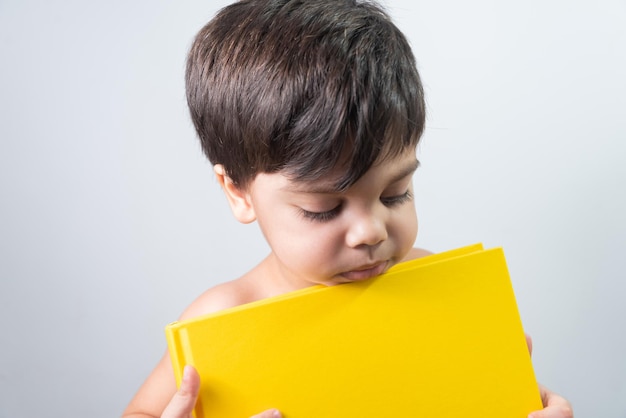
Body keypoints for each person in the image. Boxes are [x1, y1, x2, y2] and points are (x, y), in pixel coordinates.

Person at [123, 1, 574, 417]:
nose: (371, 231)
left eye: (395, 193)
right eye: (323, 209)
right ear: (238, 192)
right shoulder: (219, 318)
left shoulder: (432, 287)